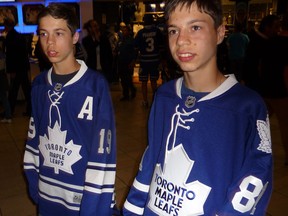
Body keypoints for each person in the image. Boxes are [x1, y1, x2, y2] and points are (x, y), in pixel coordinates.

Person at [123, 0, 273, 215]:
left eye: (195, 27)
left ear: (220, 33)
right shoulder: (165, 95)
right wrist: (133, 208)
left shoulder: (246, 106)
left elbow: (257, 174)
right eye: (174, 30)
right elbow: (152, 158)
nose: (182, 40)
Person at [23, 3, 117, 216]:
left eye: (59, 33)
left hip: (82, 195)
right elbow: (33, 138)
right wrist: (34, 183)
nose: (50, 43)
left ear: (75, 37)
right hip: (47, 192)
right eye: (44, 34)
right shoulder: (39, 85)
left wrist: (95, 203)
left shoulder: (95, 86)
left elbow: (104, 151)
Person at [261, 14, 288, 166]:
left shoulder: (270, 42)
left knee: (260, 121)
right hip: (281, 91)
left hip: (265, 88)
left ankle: (246, 147)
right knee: (285, 125)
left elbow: (261, 65)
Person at [243, 15, 280, 94]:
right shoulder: (257, 43)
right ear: (267, 27)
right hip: (258, 87)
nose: (278, 30)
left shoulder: (262, 40)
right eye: (276, 27)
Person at [134, 14, 164, 108]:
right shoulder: (157, 31)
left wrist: (136, 58)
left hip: (144, 60)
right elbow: (162, 47)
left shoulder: (140, 33)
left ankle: (145, 100)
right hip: (154, 60)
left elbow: (135, 47)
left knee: (143, 82)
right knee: (154, 81)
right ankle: (155, 100)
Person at [3, 18, 31, 116]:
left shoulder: (10, 37)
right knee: (26, 89)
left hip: (16, 68)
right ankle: (30, 110)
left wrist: (12, 70)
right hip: (23, 67)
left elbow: (11, 55)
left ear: (8, 26)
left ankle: (9, 111)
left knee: (13, 90)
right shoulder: (19, 36)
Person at [117, 25, 137, 101]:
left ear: (128, 32)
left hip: (128, 62)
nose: (124, 32)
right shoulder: (121, 40)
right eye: (123, 31)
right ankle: (125, 95)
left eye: (125, 31)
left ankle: (132, 90)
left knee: (128, 78)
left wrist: (133, 61)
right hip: (121, 61)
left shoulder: (131, 40)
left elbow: (135, 52)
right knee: (123, 79)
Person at [0, 36, 12, 123]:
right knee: (4, 97)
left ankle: (8, 116)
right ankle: (8, 116)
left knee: (3, 97)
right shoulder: (2, 53)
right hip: (2, 76)